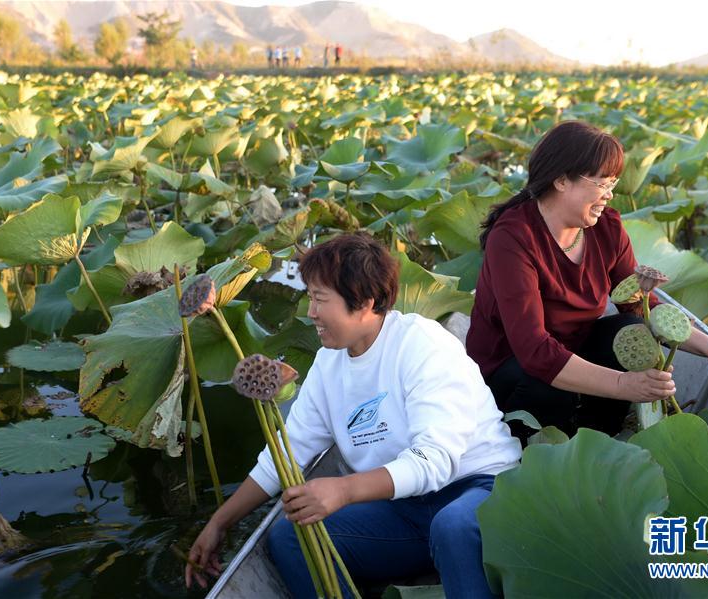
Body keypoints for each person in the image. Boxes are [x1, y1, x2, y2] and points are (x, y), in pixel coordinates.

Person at [186, 233, 522, 598]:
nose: (310, 311)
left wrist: (344, 490)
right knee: (290, 536)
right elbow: (285, 455)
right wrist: (219, 523)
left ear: (364, 301)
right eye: (309, 297)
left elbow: (434, 462)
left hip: (478, 492)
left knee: (453, 528)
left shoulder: (423, 345)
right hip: (408, 512)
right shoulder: (328, 364)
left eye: (319, 299)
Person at [466, 120, 708, 443]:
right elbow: (535, 352)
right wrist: (624, 385)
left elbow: (641, 305)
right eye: (601, 184)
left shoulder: (606, 228)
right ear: (561, 180)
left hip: (572, 351)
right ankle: (536, 452)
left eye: (613, 184)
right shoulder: (514, 238)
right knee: (547, 385)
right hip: (511, 372)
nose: (609, 195)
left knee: (628, 327)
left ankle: (599, 442)